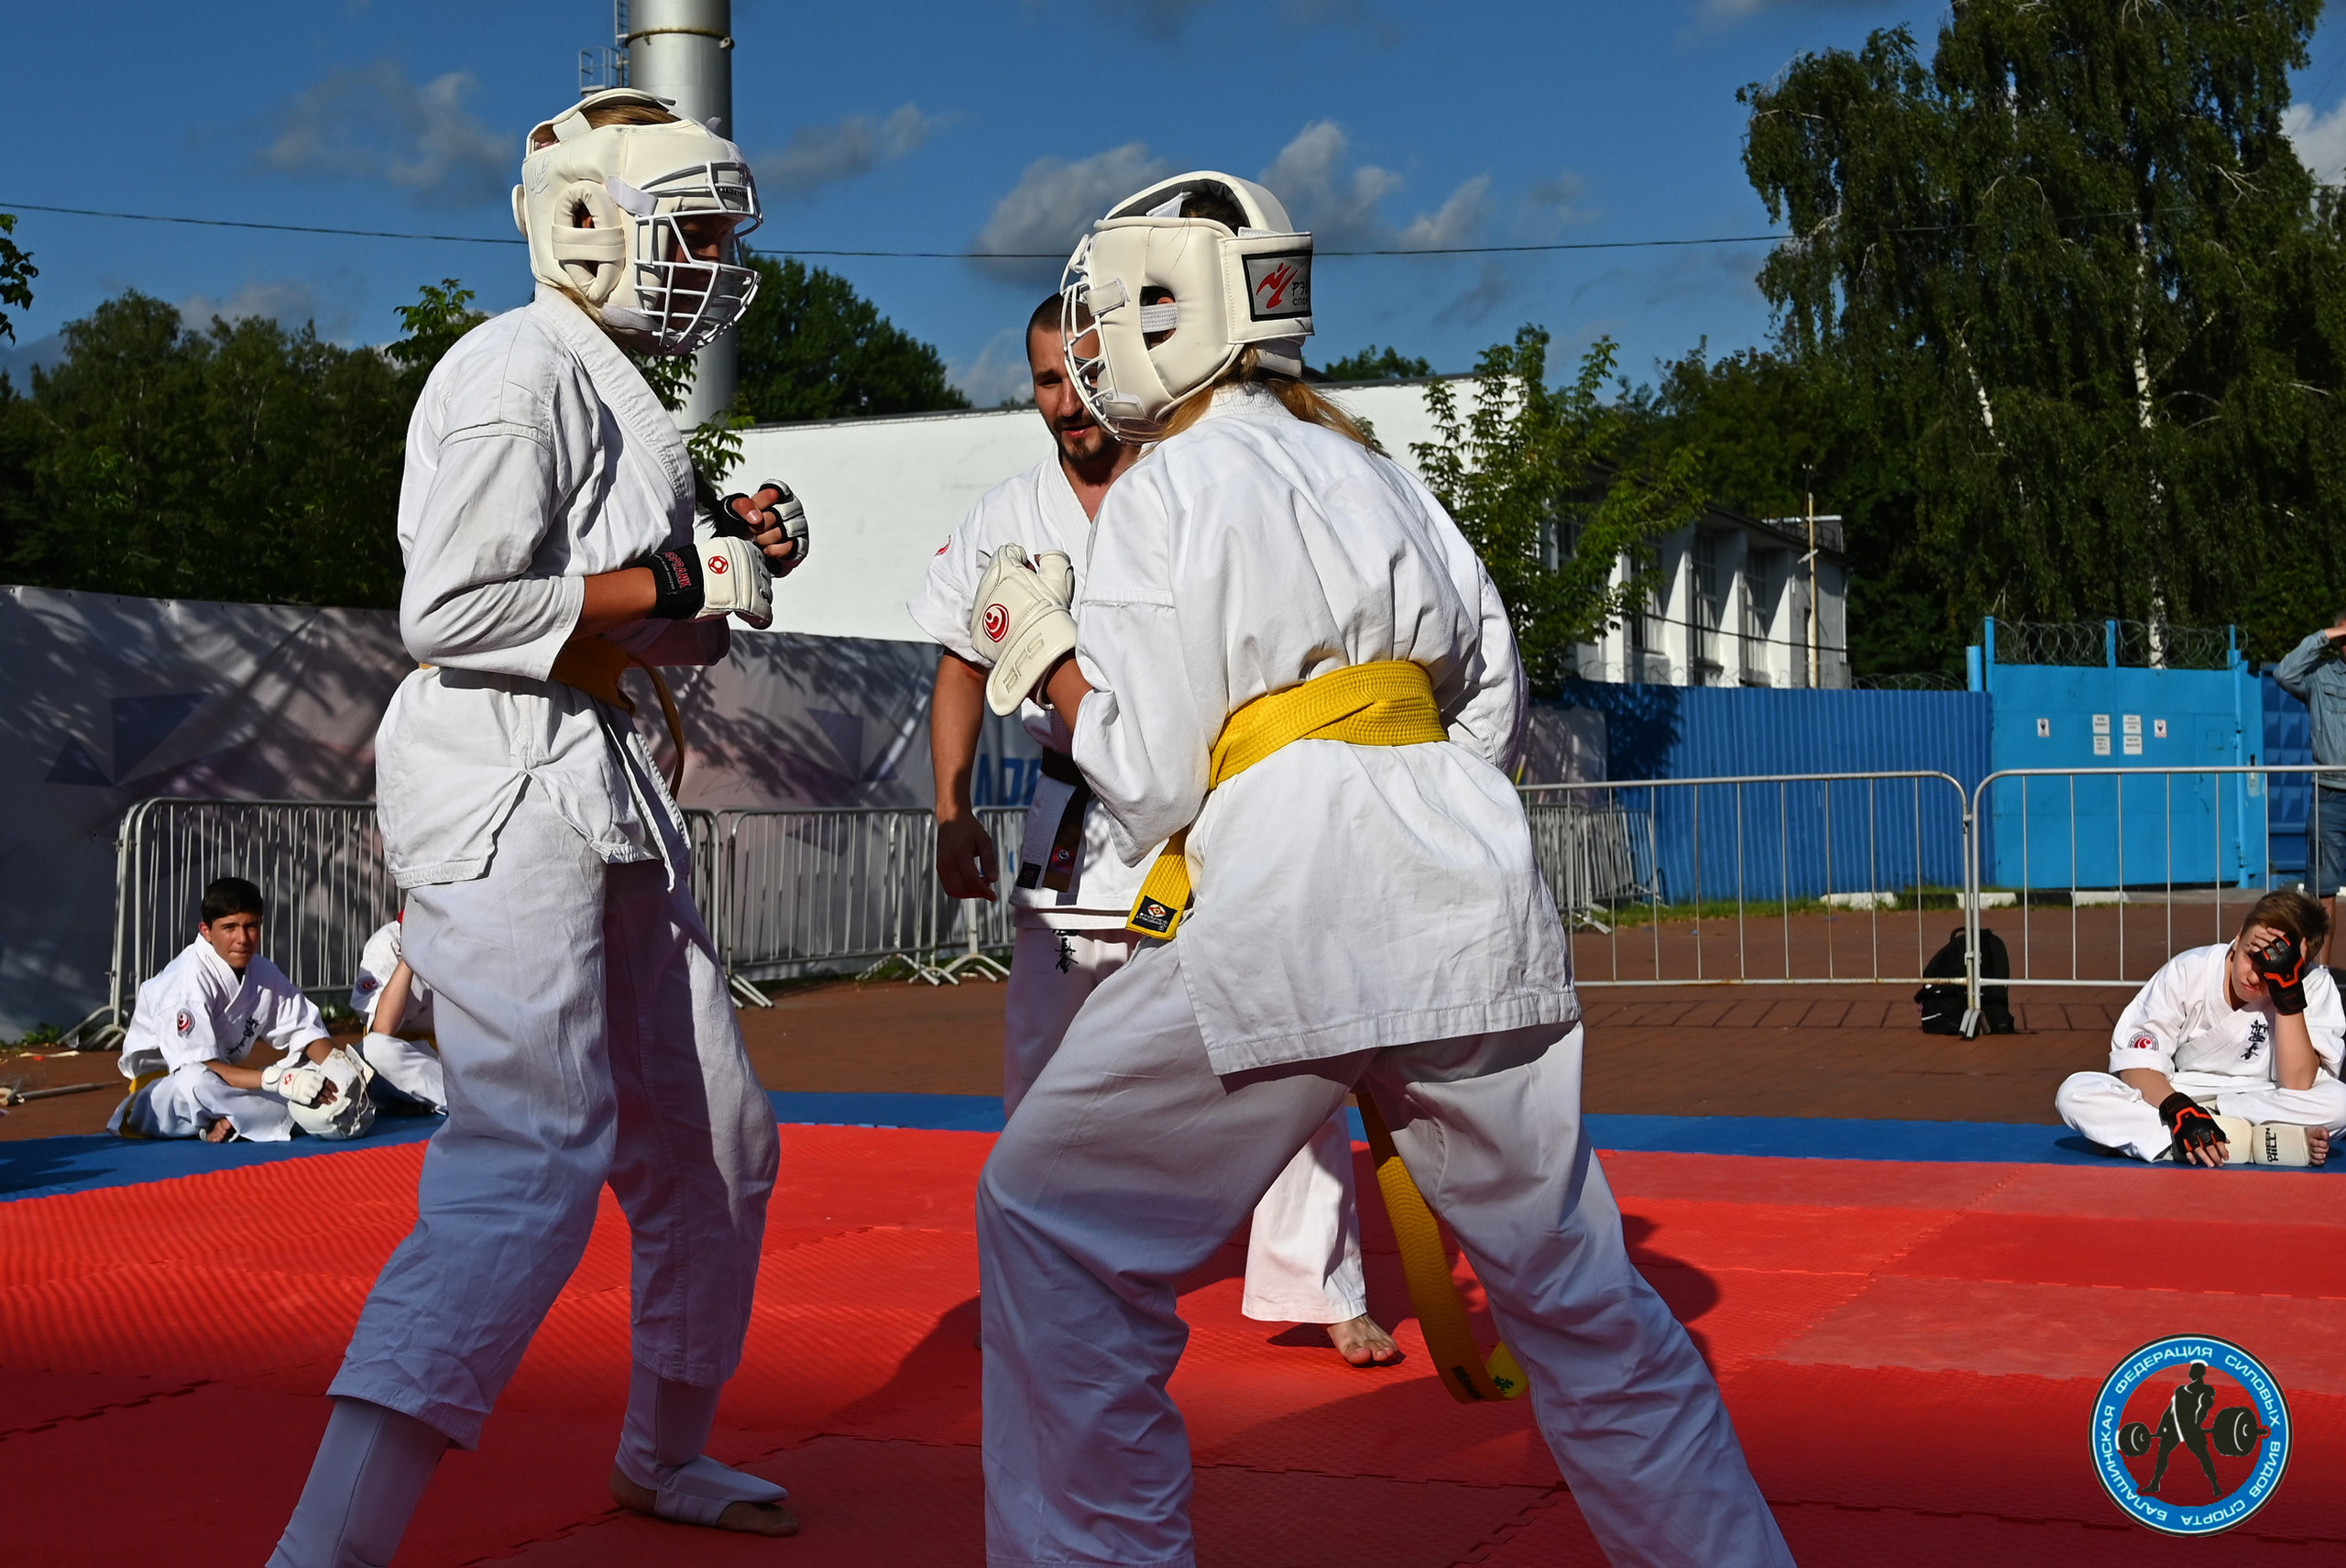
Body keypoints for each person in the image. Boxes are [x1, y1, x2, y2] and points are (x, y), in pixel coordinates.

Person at [966, 171, 1791, 1566]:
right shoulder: (1385, 475)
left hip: (1293, 890)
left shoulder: (1170, 489)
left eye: (1112, 310)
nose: (1094, 344)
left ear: (1183, 316)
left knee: (1050, 1221)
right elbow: (1493, 710)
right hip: (1468, 881)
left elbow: (1152, 773)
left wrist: (1041, 650)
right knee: (1585, 1300)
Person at [269, 88, 807, 1565]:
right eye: (688, 231)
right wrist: (674, 587)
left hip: (598, 780)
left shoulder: (624, 394)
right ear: (590, 227)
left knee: (719, 1144)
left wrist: (721, 569)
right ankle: (325, 1543)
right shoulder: (515, 368)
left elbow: (650, 635)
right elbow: (452, 610)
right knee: (527, 1152)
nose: (710, 264)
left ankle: (665, 1452)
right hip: (504, 784)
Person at [909, 294, 1399, 1367]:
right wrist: (950, 805)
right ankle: (1041, 1269)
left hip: (1213, 800)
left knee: (1278, 1035)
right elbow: (957, 659)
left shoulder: (1196, 480)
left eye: (1083, 378)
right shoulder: (1007, 512)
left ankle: (1312, 1284)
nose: (1068, 402)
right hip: (1070, 808)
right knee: (1044, 1063)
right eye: (1046, 381)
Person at [2055, 890, 2346, 1166]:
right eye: (2251, 956)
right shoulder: (2189, 970)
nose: (2255, 978)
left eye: (2270, 970)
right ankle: (2251, 1142)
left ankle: (2183, 1142)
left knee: (2339, 1105)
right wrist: (2179, 1109)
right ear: (2239, 935)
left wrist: (2288, 992)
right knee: (2076, 1093)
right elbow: (2136, 1065)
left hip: (2264, 1097)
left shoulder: (2314, 985)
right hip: (2185, 1091)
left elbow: (2298, 1084)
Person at [111, 876, 350, 1142]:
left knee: (314, 1072)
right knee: (196, 1081)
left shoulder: (263, 972)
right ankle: (286, 1114)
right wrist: (281, 1081)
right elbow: (198, 1066)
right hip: (165, 1095)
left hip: (227, 1084)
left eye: (251, 926)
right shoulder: (185, 982)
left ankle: (237, 1119)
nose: (243, 939)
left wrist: (341, 1071)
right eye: (229, 927)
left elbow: (305, 1031)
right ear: (206, 931)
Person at [2274, 611, 2346, 961]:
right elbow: (2283, 672)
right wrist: (2326, 635)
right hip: (2329, 795)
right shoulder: (2320, 678)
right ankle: (2321, 980)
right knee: (2323, 890)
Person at [347, 916, 447, 1113]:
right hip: (403, 1062)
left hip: (454, 1057)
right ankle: (467, 1103)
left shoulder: (465, 938)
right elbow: (382, 1028)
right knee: (373, 1049)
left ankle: (451, 1100)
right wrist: (409, 956)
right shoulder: (387, 943)